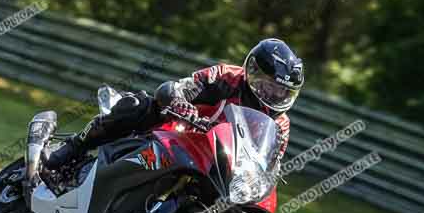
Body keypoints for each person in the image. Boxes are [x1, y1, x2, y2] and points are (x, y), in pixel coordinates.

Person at [43, 38, 303, 170]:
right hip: (176, 133)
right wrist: (180, 103)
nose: (275, 94)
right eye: (271, 85)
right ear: (254, 72)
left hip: (213, 166)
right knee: (138, 104)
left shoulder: (280, 125)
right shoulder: (226, 77)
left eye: (283, 91)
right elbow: (182, 87)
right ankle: (74, 146)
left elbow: (270, 164)